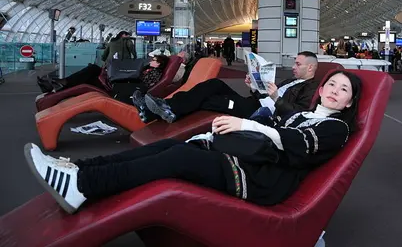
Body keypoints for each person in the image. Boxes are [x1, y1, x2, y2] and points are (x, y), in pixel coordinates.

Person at [23, 71, 362, 213]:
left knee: (179, 160)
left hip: (263, 180)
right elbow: (274, 128)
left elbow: (298, 144)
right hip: (251, 160)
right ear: (322, 89)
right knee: (169, 147)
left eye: (344, 89)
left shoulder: (336, 127)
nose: (335, 90)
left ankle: (82, 185)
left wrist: (245, 122)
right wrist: (215, 134)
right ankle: (78, 170)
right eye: (332, 84)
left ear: (348, 103)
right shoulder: (301, 114)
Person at [131, 51, 320, 123]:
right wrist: (254, 86)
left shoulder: (311, 88)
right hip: (254, 101)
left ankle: (160, 110)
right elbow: (265, 95)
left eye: (298, 64)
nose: (293, 67)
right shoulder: (290, 81)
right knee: (214, 85)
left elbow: (298, 114)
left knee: (210, 99)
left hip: (259, 113)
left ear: (310, 67)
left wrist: (277, 98)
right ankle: (162, 109)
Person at [37, 55, 169, 97]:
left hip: (121, 87)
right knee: (89, 75)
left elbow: (144, 85)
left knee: (91, 72)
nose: (151, 61)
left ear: (159, 64)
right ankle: (58, 86)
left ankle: (60, 85)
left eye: (154, 60)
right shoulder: (148, 69)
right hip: (118, 83)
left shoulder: (155, 73)